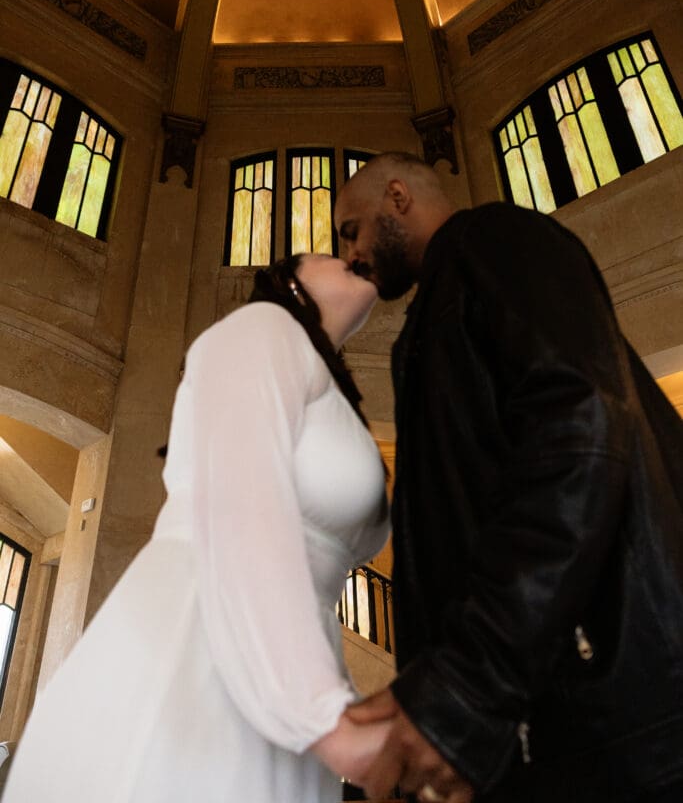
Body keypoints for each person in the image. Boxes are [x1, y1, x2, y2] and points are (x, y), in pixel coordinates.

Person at [334, 152, 683, 803]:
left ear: (398, 197)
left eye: (350, 229)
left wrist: (468, 682)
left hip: (613, 719)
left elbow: (578, 436)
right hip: (552, 724)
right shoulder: (438, 305)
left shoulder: (493, 241)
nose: (349, 256)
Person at [4, 254, 391, 803]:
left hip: (287, 658)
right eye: (329, 251)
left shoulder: (328, 389)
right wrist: (327, 717)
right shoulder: (260, 327)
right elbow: (242, 500)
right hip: (201, 643)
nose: (348, 252)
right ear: (291, 285)